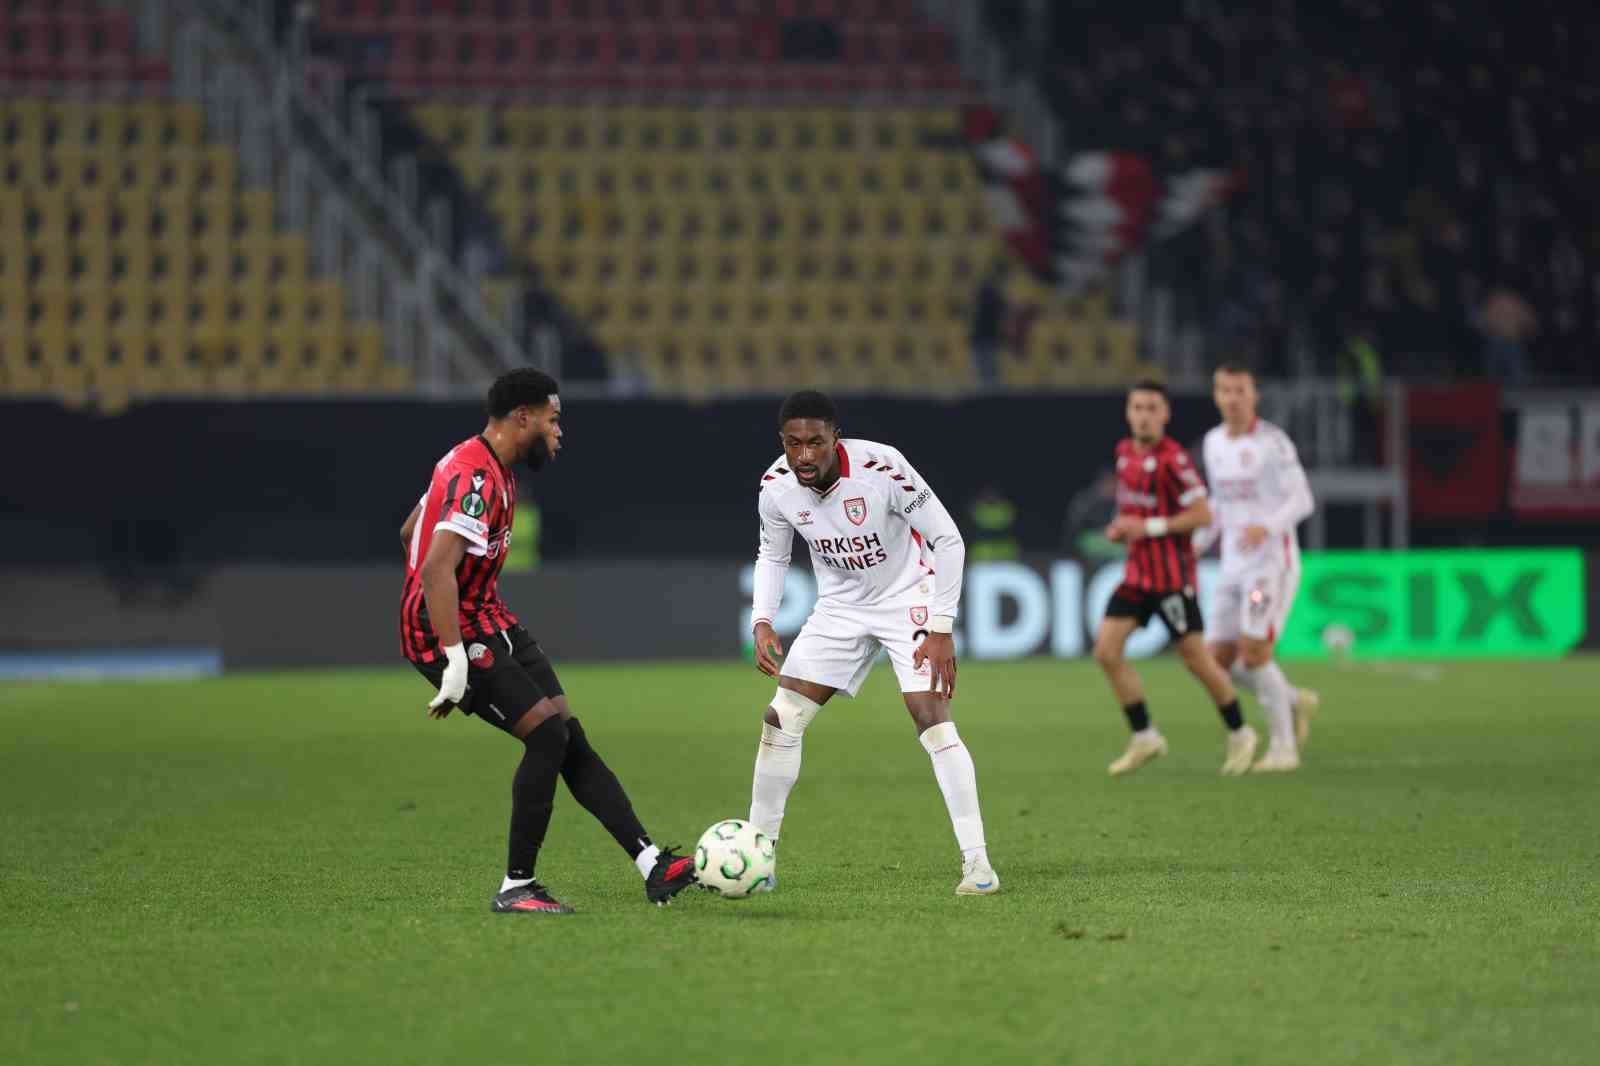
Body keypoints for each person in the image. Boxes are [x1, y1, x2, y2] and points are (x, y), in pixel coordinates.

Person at [398, 368, 697, 914]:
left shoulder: (480, 463)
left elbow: (409, 530)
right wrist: (453, 658)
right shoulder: (478, 479)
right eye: (554, 420)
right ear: (523, 418)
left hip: (489, 619)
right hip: (450, 633)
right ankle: (516, 887)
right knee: (544, 736)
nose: (560, 433)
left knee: (564, 733)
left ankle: (653, 864)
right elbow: (438, 568)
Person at [748, 390, 998, 895]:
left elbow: (949, 539)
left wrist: (942, 627)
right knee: (781, 718)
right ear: (782, 443)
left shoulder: (884, 468)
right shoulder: (775, 486)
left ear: (834, 437)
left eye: (815, 442)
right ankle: (758, 859)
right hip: (840, 608)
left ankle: (978, 865)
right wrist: (763, 619)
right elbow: (772, 555)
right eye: (794, 444)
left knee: (931, 719)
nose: (804, 456)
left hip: (910, 596)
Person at [1095, 380, 1259, 776]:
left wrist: (1147, 528)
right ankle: (1145, 736)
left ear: (1165, 414)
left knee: (1197, 661)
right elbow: (1134, 509)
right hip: (1136, 577)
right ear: (1128, 412)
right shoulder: (1123, 455)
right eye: (1138, 407)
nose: (1144, 415)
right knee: (1106, 652)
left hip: (1171, 580)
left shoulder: (1174, 461)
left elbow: (1203, 515)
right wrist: (1121, 527)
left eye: (1152, 408)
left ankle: (1240, 732)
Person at [1195, 365, 1320, 772]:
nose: (1232, 398)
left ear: (1254, 395)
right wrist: (1196, 544)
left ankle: (1284, 749)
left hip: (1269, 564)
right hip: (1232, 565)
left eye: (1240, 390)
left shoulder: (1273, 443)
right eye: (1225, 390)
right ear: (1216, 395)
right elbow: (1219, 503)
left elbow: (1302, 500)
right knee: (1216, 659)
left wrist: (1266, 526)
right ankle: (1291, 700)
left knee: (1253, 653)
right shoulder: (1213, 443)